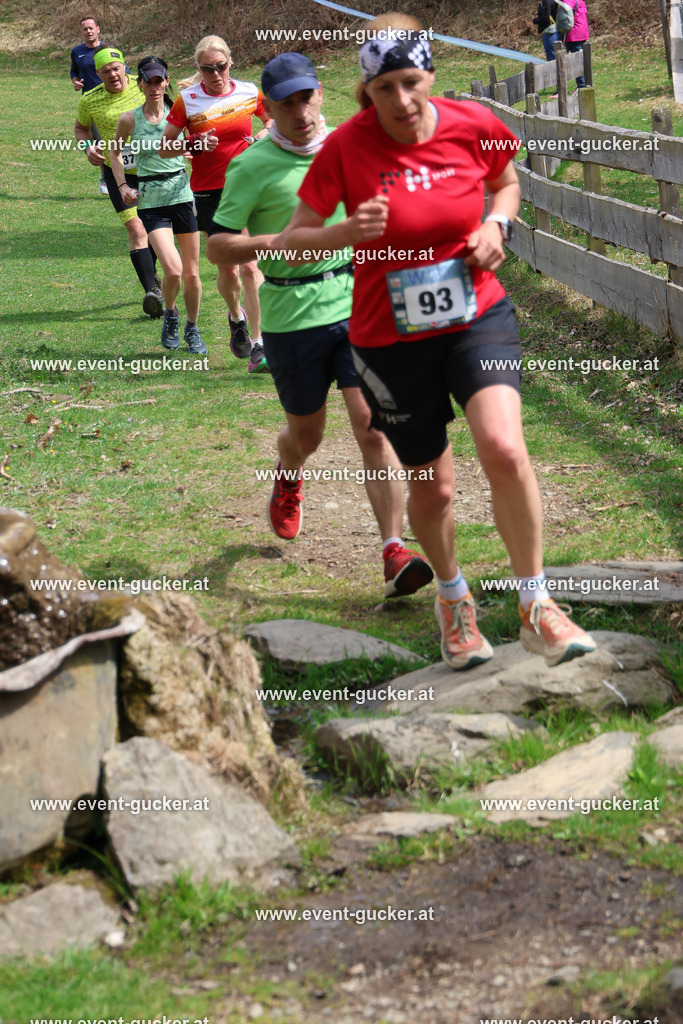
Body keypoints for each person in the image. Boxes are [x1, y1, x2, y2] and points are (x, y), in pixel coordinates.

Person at [279, 13, 597, 670]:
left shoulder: (471, 124)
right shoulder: (346, 147)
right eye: (384, 87)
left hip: (472, 310)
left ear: (430, 75)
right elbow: (293, 237)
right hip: (387, 338)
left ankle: (536, 605)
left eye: (410, 82)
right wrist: (342, 234)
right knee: (435, 488)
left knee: (504, 448)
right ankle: (452, 598)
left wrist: (496, 226)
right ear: (365, 90)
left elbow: (506, 182)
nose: (400, 100)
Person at [206, 52, 433, 600]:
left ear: (320, 94)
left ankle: (393, 551)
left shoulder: (350, 146)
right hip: (288, 314)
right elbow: (217, 244)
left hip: (356, 301)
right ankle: (288, 475)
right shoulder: (252, 165)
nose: (300, 112)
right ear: (270, 108)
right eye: (286, 104)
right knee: (306, 436)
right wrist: (269, 243)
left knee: (373, 427)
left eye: (307, 98)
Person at [161, 36, 273, 372]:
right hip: (209, 193)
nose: (215, 73)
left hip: (247, 187)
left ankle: (259, 344)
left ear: (230, 63)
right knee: (229, 271)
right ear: (198, 68)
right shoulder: (188, 100)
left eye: (220, 66)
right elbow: (165, 148)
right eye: (208, 68)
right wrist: (195, 143)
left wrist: (262, 137)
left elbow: (272, 120)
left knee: (252, 266)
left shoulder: (250, 92)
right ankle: (235, 316)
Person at [110, 57, 212, 355]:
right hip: (152, 201)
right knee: (173, 269)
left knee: (192, 274)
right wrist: (122, 186)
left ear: (166, 81)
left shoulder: (179, 113)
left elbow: (200, 141)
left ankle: (192, 328)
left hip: (181, 194)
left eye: (159, 81)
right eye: (148, 81)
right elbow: (114, 154)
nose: (154, 87)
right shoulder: (130, 119)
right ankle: (170, 315)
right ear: (139, 84)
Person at [74, 45, 163, 318]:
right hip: (118, 172)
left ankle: (153, 274)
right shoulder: (89, 100)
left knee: (154, 229)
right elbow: (81, 128)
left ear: (124, 67)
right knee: (136, 230)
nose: (112, 75)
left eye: (115, 68)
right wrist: (87, 147)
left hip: (153, 166)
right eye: (104, 72)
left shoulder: (143, 88)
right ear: (97, 74)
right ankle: (152, 292)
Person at [70, 14, 108, 195]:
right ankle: (105, 177)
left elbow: (123, 70)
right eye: (85, 29)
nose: (88, 31)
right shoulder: (77, 52)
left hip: (112, 101)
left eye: (91, 28)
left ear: (98, 29)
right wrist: (75, 82)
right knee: (99, 142)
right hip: (91, 105)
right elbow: (73, 72)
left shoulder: (108, 49)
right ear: (81, 32)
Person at [563, 0, 589, 89]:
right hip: (582, 32)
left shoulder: (569, 1)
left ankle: (581, 86)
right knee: (581, 59)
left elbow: (566, 11)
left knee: (575, 61)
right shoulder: (580, 1)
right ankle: (584, 84)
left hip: (573, 34)